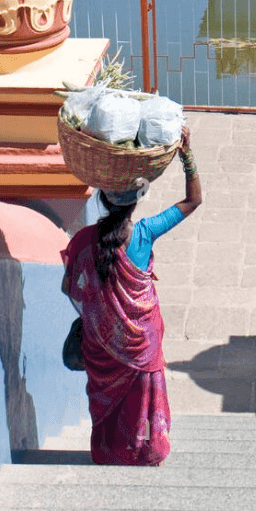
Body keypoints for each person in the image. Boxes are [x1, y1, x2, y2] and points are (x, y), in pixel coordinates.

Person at [61, 127, 202, 466]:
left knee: (108, 403)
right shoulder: (146, 232)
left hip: (102, 344)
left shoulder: (83, 241)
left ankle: (110, 455)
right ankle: (147, 452)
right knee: (143, 402)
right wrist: (187, 156)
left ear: (104, 199)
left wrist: (99, 315)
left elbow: (72, 288)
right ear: (137, 199)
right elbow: (193, 201)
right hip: (144, 345)